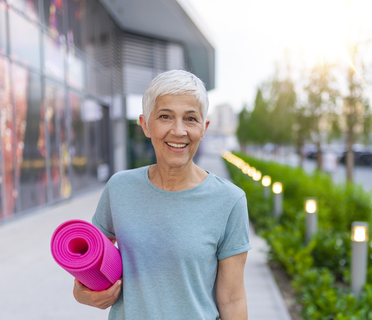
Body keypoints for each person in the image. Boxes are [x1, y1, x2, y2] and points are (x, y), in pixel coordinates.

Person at [72, 70, 251, 320]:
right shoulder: (119, 188)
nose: (178, 131)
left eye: (190, 119)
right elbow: (89, 265)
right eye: (165, 116)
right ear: (145, 124)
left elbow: (232, 299)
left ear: (204, 128)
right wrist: (83, 294)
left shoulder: (229, 200)